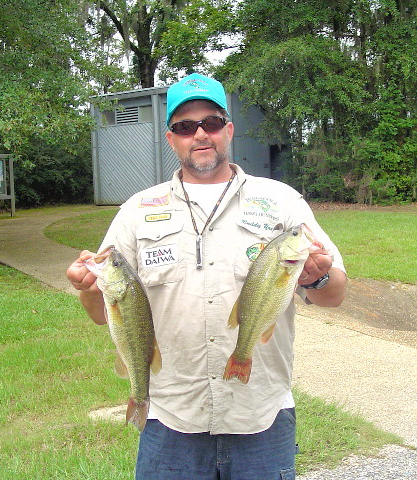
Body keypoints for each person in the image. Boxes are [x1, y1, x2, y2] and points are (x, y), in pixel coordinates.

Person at [66, 73, 347, 480]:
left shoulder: (282, 202)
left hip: (260, 413)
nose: (200, 134)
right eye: (185, 127)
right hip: (171, 416)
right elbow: (100, 312)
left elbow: (334, 294)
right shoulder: (137, 211)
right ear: (171, 139)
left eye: (211, 123)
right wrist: (87, 287)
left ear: (228, 130)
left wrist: (315, 279)